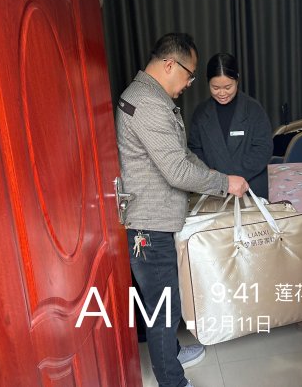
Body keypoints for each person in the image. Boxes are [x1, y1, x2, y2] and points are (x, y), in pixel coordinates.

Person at [116, 33, 249, 387]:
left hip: (156, 217)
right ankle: (172, 381)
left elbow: (181, 154)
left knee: (164, 301)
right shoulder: (148, 104)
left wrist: (213, 175)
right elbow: (176, 171)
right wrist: (224, 183)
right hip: (148, 224)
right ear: (169, 65)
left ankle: (171, 352)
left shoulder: (150, 96)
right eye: (189, 75)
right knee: (164, 309)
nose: (190, 84)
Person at [188, 53, 273, 199]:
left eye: (228, 87)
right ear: (208, 82)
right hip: (214, 188)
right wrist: (219, 180)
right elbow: (194, 149)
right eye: (215, 87)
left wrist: (231, 177)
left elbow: (263, 148)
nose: (222, 93)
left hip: (250, 184)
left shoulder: (253, 109)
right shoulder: (201, 113)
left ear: (237, 80)